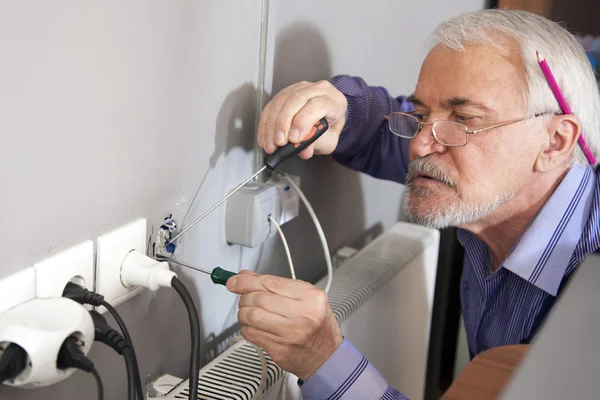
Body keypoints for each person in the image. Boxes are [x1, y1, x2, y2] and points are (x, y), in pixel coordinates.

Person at [226, 9, 600, 399]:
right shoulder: (496, 191)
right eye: (422, 116)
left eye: (463, 118)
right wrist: (341, 109)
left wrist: (323, 358)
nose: (420, 144)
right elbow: (383, 128)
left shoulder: (587, 331)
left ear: (555, 142)